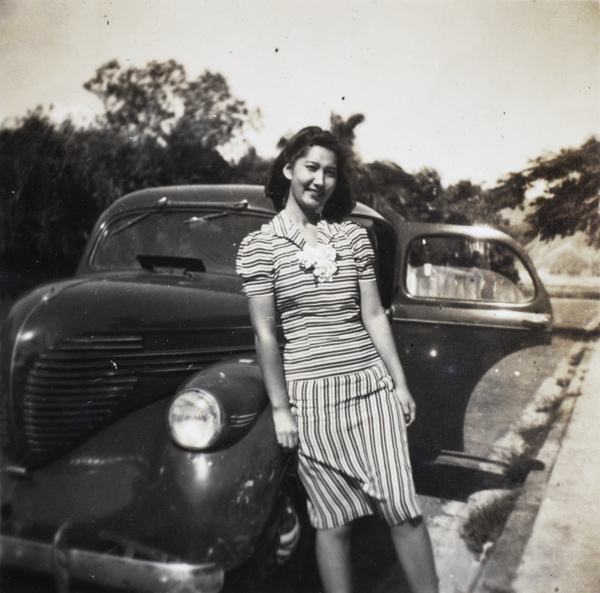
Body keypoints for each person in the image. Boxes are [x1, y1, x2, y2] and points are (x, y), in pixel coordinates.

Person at [236, 126, 439, 593]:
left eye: (330, 172)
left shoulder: (352, 238)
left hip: (368, 390)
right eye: (311, 168)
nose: (320, 180)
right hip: (310, 401)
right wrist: (282, 410)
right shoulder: (259, 246)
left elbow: (373, 315)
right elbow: (266, 335)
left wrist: (399, 382)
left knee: (402, 509)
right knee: (332, 520)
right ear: (288, 169)